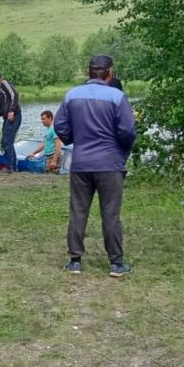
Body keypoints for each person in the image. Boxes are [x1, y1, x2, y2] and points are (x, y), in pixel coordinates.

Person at [54, 55, 136, 277]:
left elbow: (59, 124)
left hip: (80, 162)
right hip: (109, 163)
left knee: (78, 211)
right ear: (110, 72)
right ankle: (116, 264)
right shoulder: (117, 97)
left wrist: (72, 139)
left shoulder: (72, 95)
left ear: (87, 71)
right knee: (110, 213)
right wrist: (121, 150)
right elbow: (128, 131)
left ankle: (75, 261)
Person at [0, 70, 21, 173]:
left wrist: (11, 111)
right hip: (7, 117)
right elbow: (2, 109)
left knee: (6, 142)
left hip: (14, 116)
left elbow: (15, 94)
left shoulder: (4, 83)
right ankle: (13, 167)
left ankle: (9, 167)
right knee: (7, 142)